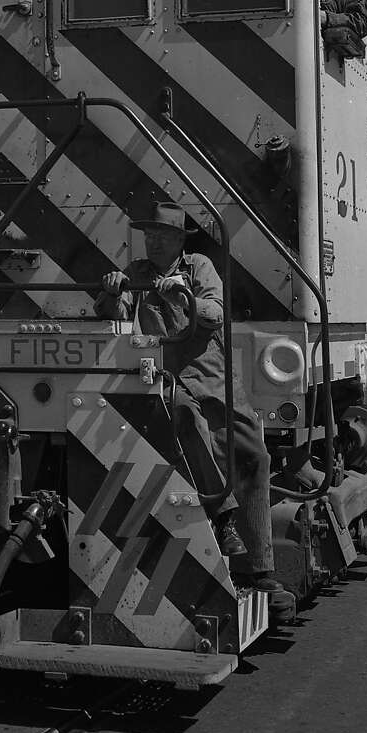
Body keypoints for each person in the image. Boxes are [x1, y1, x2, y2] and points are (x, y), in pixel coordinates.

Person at [95, 200, 294, 624]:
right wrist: (112, 293)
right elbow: (115, 319)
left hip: (215, 378)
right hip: (166, 379)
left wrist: (183, 296)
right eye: (148, 235)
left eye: (161, 235)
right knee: (185, 418)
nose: (152, 242)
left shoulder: (199, 267)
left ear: (178, 240)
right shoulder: (135, 274)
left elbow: (215, 312)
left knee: (254, 456)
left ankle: (258, 569)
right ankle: (223, 521)